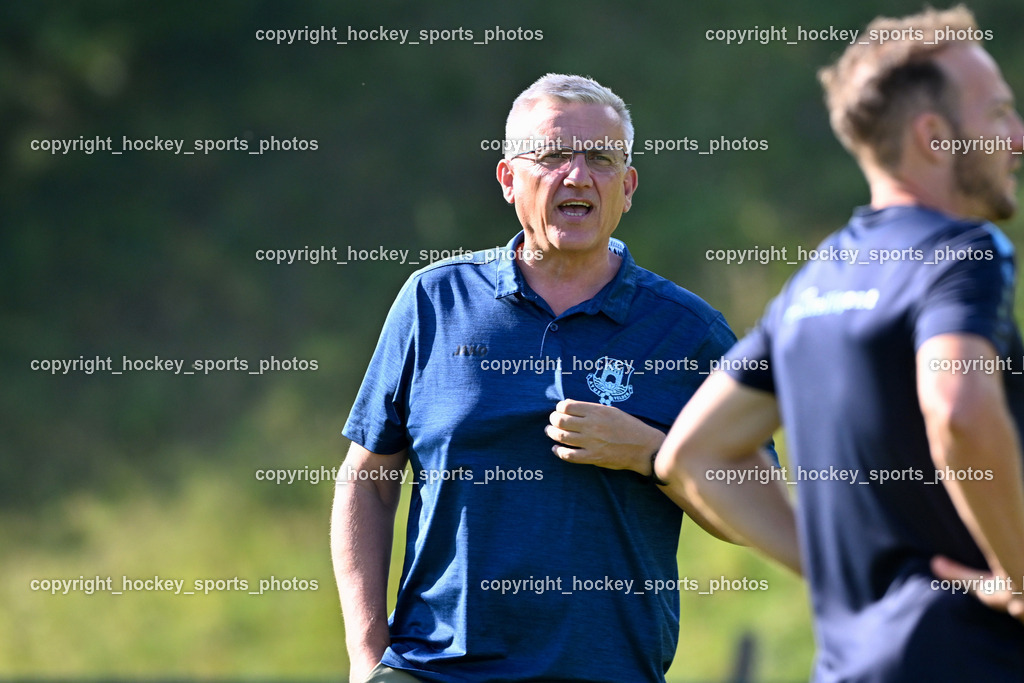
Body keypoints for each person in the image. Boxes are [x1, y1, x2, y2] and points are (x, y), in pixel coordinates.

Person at [331, 73, 757, 682]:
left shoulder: (687, 330)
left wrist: (652, 455)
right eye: (554, 156)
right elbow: (367, 481)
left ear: (628, 187)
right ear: (508, 179)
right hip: (434, 669)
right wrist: (366, 657)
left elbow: (751, 507)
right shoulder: (433, 301)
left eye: (602, 160)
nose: (578, 176)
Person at [655, 6, 1024, 681]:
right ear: (936, 136)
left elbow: (692, 454)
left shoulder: (817, 279)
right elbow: (959, 410)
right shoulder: (962, 253)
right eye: (999, 113)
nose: (1019, 137)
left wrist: (839, 570)